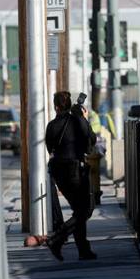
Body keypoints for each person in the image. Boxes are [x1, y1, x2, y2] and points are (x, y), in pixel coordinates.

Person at [45, 91, 97, 261]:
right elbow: (91, 141)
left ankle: (83, 250)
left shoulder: (51, 126)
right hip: (75, 170)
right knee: (85, 210)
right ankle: (57, 239)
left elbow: (49, 147)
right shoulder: (77, 121)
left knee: (78, 210)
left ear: (56, 107)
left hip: (58, 172)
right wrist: (84, 118)